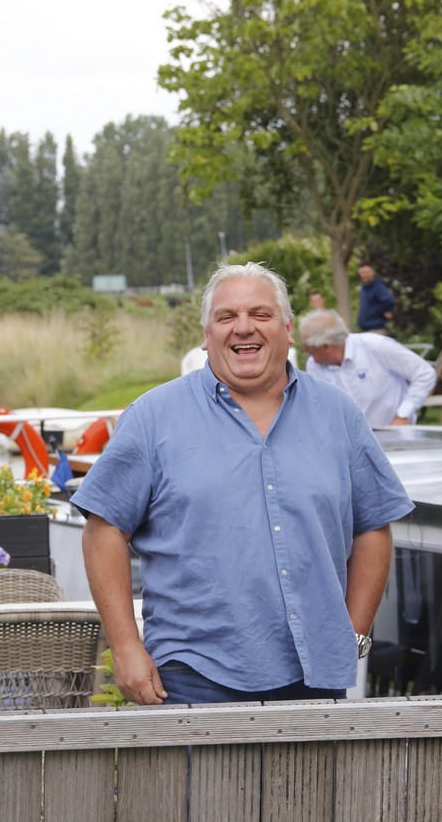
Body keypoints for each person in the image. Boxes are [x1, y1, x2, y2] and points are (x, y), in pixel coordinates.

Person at [72, 261, 413, 706]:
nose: (243, 327)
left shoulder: (339, 414)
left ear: (288, 330)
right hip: (192, 676)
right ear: (206, 334)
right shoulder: (152, 417)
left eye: (260, 314)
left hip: (317, 675)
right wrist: (125, 647)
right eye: (226, 316)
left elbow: (373, 525)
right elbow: (104, 530)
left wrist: (354, 633)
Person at [298, 309, 437, 427]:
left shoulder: (376, 346)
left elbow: (425, 373)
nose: (304, 350)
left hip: (393, 434)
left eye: (308, 346)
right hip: (349, 442)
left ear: (326, 346)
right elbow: (321, 406)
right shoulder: (314, 365)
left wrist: (403, 414)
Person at [356, 263, 396, 334]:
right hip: (365, 329)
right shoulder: (363, 287)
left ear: (373, 272)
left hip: (376, 329)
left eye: (366, 272)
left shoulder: (378, 286)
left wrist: (384, 310)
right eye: (362, 273)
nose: (364, 275)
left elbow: (389, 300)